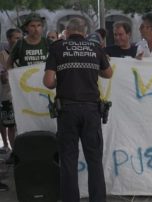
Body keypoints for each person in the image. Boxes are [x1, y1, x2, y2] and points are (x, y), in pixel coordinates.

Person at [43, 17, 113, 202]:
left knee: (68, 161)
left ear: (66, 31)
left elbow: (48, 82)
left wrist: (64, 79)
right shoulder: (95, 48)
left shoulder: (57, 48)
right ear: (85, 32)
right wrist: (89, 71)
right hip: (91, 111)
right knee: (94, 160)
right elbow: (108, 73)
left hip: (67, 110)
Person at [0, 28, 22, 154]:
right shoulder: (2, 55)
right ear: (9, 39)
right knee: (11, 126)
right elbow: (3, 79)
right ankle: (15, 152)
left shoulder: (23, 53)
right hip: (7, 96)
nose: (19, 40)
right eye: (16, 38)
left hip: (23, 95)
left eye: (20, 38)